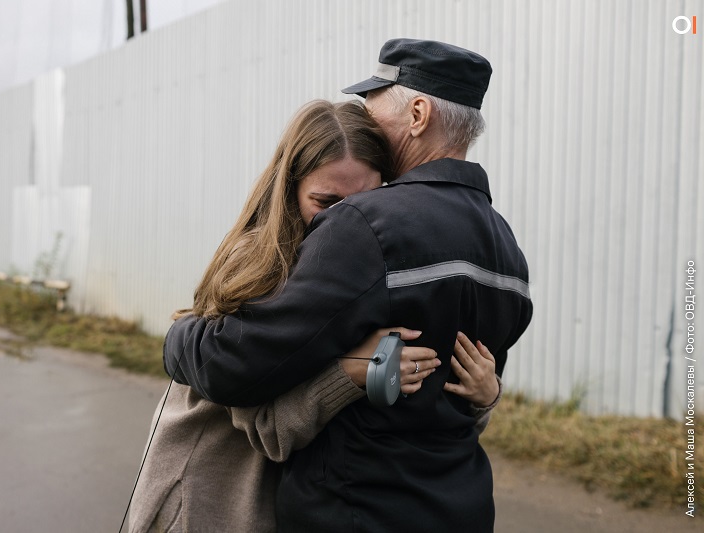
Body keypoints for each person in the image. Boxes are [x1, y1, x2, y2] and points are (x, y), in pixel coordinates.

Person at [164, 39, 533, 532]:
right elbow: (456, 401)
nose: (365, 115)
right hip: (461, 507)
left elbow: (237, 366)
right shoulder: (506, 247)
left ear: (418, 113)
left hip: (354, 511)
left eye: (375, 101)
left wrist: (178, 337)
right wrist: (489, 397)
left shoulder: (366, 224)